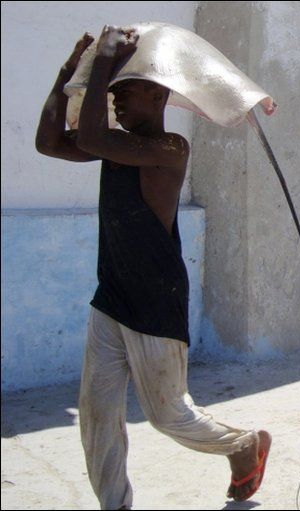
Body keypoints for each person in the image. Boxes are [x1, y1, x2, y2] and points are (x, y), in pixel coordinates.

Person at [35, 27, 270, 509]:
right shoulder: (113, 144)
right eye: (115, 90)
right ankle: (114, 503)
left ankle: (242, 444)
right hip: (111, 298)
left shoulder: (169, 148)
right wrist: (67, 73)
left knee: (168, 416)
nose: (117, 97)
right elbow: (48, 143)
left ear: (158, 93)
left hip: (155, 302)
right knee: (97, 414)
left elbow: (94, 135)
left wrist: (103, 63)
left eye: (128, 88)